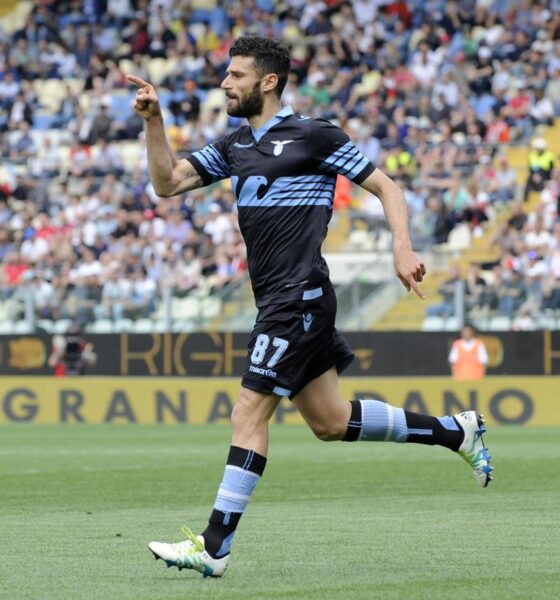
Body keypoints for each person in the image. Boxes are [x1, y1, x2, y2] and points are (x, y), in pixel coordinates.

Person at [128, 36, 493, 579]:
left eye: (235, 75)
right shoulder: (237, 144)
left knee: (248, 412)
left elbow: (387, 187)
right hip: (284, 299)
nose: (225, 83)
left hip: (296, 298)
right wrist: (153, 121)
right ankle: (454, 431)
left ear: (268, 81)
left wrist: (401, 247)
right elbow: (167, 183)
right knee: (329, 421)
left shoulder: (315, 135)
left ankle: (214, 545)